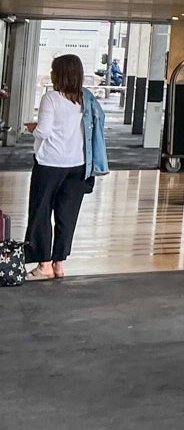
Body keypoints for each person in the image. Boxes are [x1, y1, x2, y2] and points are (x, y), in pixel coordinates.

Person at [22, 54, 108, 280]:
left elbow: (43, 132)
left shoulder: (51, 98)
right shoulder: (85, 98)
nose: (51, 74)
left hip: (50, 164)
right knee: (66, 216)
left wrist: (32, 128)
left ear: (60, 74)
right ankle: (58, 264)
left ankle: (44, 265)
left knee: (41, 213)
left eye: (53, 70)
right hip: (78, 165)